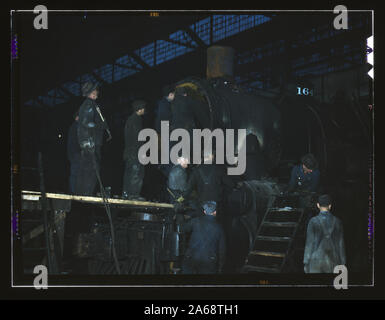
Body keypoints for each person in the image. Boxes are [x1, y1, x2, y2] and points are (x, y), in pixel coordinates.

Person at [75, 82, 108, 196]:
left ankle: (82, 193)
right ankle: (86, 193)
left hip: (89, 141)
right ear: (89, 93)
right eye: (94, 92)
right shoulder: (89, 104)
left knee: (86, 168)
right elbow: (86, 123)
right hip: (90, 142)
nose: (96, 94)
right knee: (92, 169)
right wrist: (100, 126)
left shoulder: (90, 104)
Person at [303, 194, 346, 273]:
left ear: (318, 205)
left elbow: (309, 243)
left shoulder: (313, 221)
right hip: (333, 260)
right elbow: (340, 243)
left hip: (315, 261)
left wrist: (306, 262)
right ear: (330, 206)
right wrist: (343, 262)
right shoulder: (338, 222)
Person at [180, 201, 226, 274]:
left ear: (204, 211)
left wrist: (182, 215)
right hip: (209, 261)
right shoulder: (219, 228)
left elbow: (182, 229)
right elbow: (222, 249)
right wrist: (220, 266)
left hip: (192, 257)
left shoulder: (195, 221)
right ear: (215, 212)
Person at [122, 100, 146, 200]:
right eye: (143, 108)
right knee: (136, 173)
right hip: (135, 152)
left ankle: (126, 193)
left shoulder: (130, 119)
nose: (144, 110)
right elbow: (137, 137)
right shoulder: (136, 120)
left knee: (129, 173)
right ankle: (133, 194)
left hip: (129, 152)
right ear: (139, 109)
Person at [67, 111, 81, 194]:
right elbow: (75, 142)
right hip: (75, 153)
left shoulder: (74, 127)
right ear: (76, 117)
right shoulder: (75, 127)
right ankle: (73, 191)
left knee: (75, 173)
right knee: (75, 173)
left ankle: (74, 191)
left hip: (74, 153)